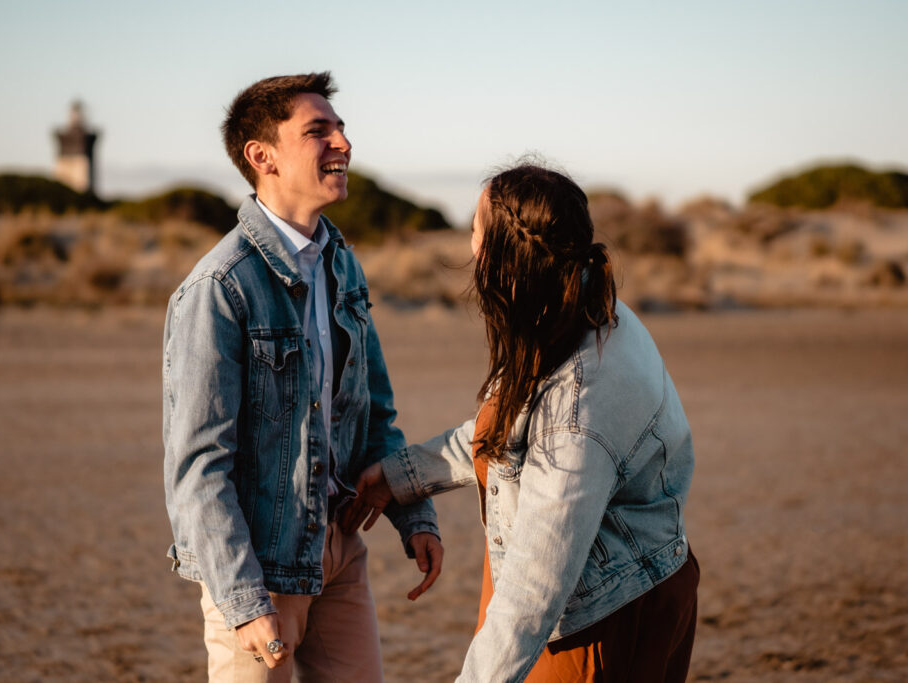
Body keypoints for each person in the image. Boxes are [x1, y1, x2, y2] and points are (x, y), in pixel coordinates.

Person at [342, 162, 698, 682]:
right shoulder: (581, 305)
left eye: (475, 229)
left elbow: (536, 589)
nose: (469, 244)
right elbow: (506, 430)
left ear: (502, 256)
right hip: (637, 582)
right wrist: (403, 475)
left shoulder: (576, 412)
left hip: (596, 622)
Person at [162, 72, 443, 682]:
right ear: (261, 157)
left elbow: (373, 412)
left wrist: (414, 518)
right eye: (318, 131)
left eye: (341, 128)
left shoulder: (342, 265)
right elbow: (197, 467)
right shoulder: (220, 288)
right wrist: (242, 602)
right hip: (259, 565)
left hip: (340, 552)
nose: (342, 142)